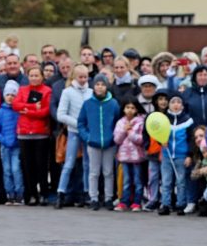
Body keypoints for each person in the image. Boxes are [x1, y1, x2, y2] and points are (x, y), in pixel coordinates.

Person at [78, 74, 120, 211]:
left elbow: (117, 122)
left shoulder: (113, 103)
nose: (100, 87)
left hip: (109, 143)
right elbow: (81, 123)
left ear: (107, 86)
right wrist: (87, 137)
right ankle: (94, 198)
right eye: (97, 84)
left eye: (102, 84)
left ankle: (108, 197)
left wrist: (114, 137)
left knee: (108, 172)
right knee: (94, 172)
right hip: (93, 143)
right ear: (93, 86)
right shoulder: (88, 104)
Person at [54, 64, 93, 208]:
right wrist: (78, 124)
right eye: (80, 77)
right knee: (69, 163)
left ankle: (87, 193)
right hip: (74, 131)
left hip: (87, 132)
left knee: (87, 164)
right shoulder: (68, 92)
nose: (83, 80)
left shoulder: (90, 92)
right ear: (74, 77)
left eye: (85, 77)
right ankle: (61, 192)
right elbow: (61, 114)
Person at [13, 66, 52, 206]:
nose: (34, 78)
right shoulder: (22, 90)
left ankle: (44, 194)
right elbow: (16, 105)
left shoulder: (47, 91)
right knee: (27, 166)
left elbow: (45, 111)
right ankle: (31, 194)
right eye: (32, 75)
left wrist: (27, 111)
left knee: (41, 166)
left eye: (37, 75)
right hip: (24, 133)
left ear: (42, 77)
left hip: (40, 133)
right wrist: (33, 107)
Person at [157, 92, 192, 215]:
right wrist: (161, 141)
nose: (176, 105)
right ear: (169, 105)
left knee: (181, 181)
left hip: (181, 155)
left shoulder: (188, 120)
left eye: (178, 102)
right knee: (166, 181)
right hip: (167, 154)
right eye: (173, 102)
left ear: (182, 105)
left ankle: (180, 204)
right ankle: (165, 204)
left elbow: (191, 139)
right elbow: (157, 133)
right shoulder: (164, 119)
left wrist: (189, 155)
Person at [113, 98, 146, 211]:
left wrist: (130, 133)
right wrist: (124, 130)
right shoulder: (120, 122)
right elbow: (117, 140)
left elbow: (141, 140)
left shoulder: (141, 122)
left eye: (132, 108)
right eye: (127, 107)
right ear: (123, 109)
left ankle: (137, 202)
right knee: (126, 180)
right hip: (124, 156)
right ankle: (124, 201)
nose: (130, 110)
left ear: (136, 109)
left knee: (137, 180)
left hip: (137, 156)